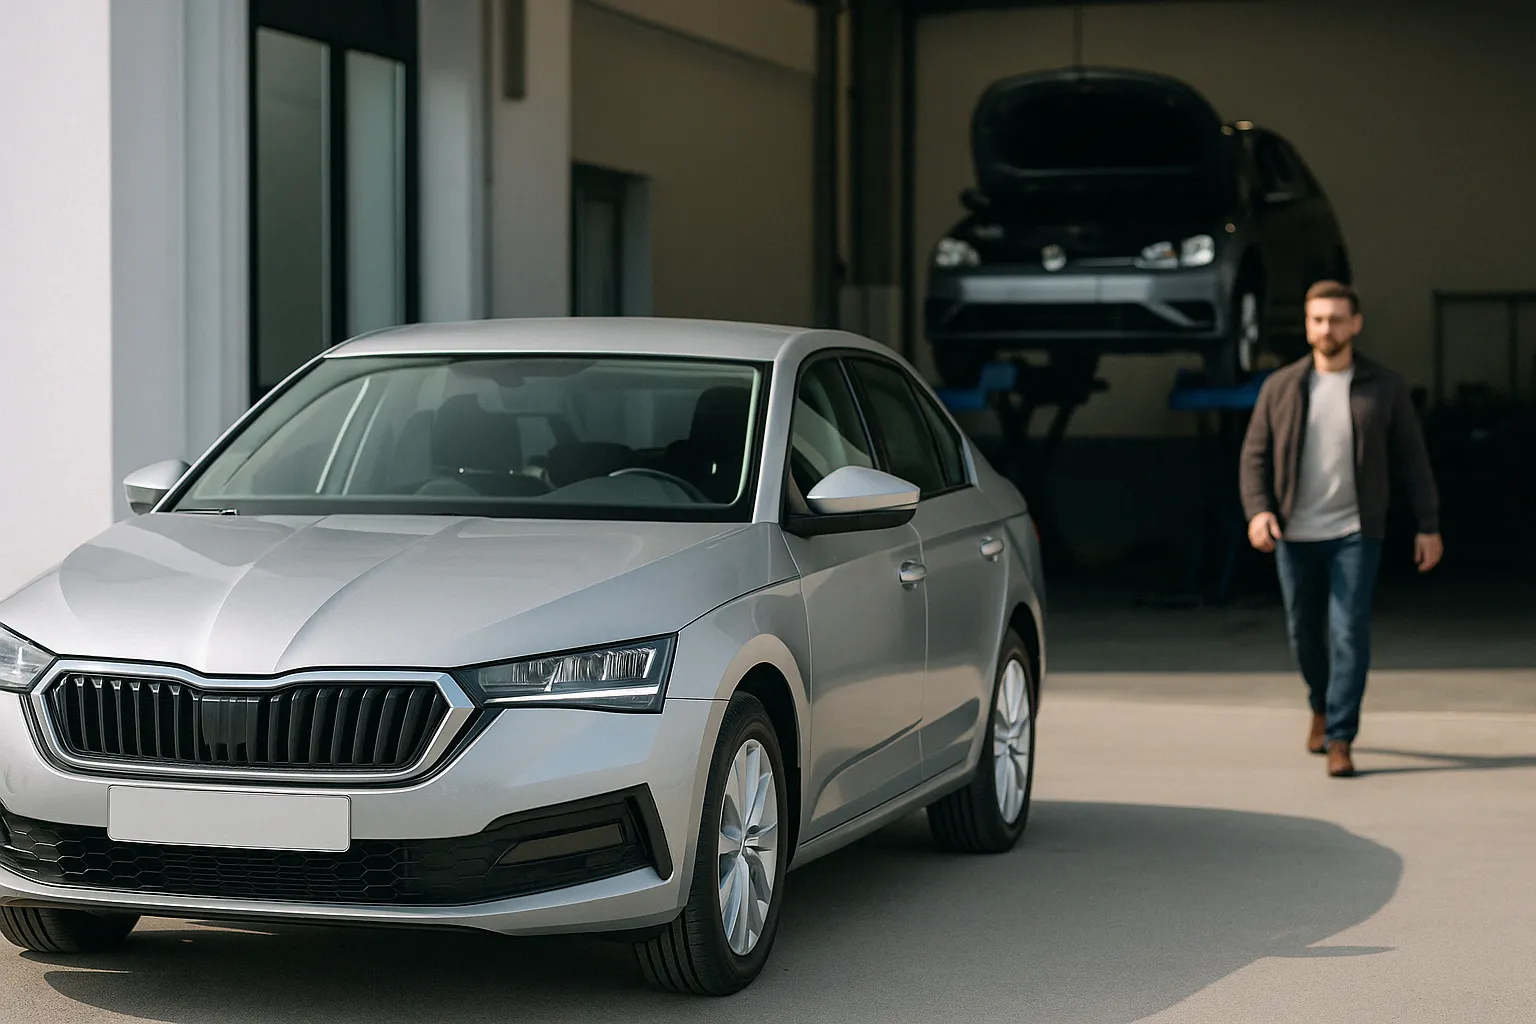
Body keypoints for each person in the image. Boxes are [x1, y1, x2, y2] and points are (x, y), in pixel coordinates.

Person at [1239, 280, 1442, 778]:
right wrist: (1259, 511)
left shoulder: (1384, 387)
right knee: (1303, 633)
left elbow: (1413, 460)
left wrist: (1428, 524)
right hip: (1294, 532)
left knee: (1349, 630)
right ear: (1307, 326)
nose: (1325, 328)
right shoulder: (1281, 386)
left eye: (1335, 319)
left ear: (1356, 324)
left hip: (1356, 531)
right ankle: (1321, 705)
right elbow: (1253, 456)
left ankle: (1341, 737)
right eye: (1317, 319)